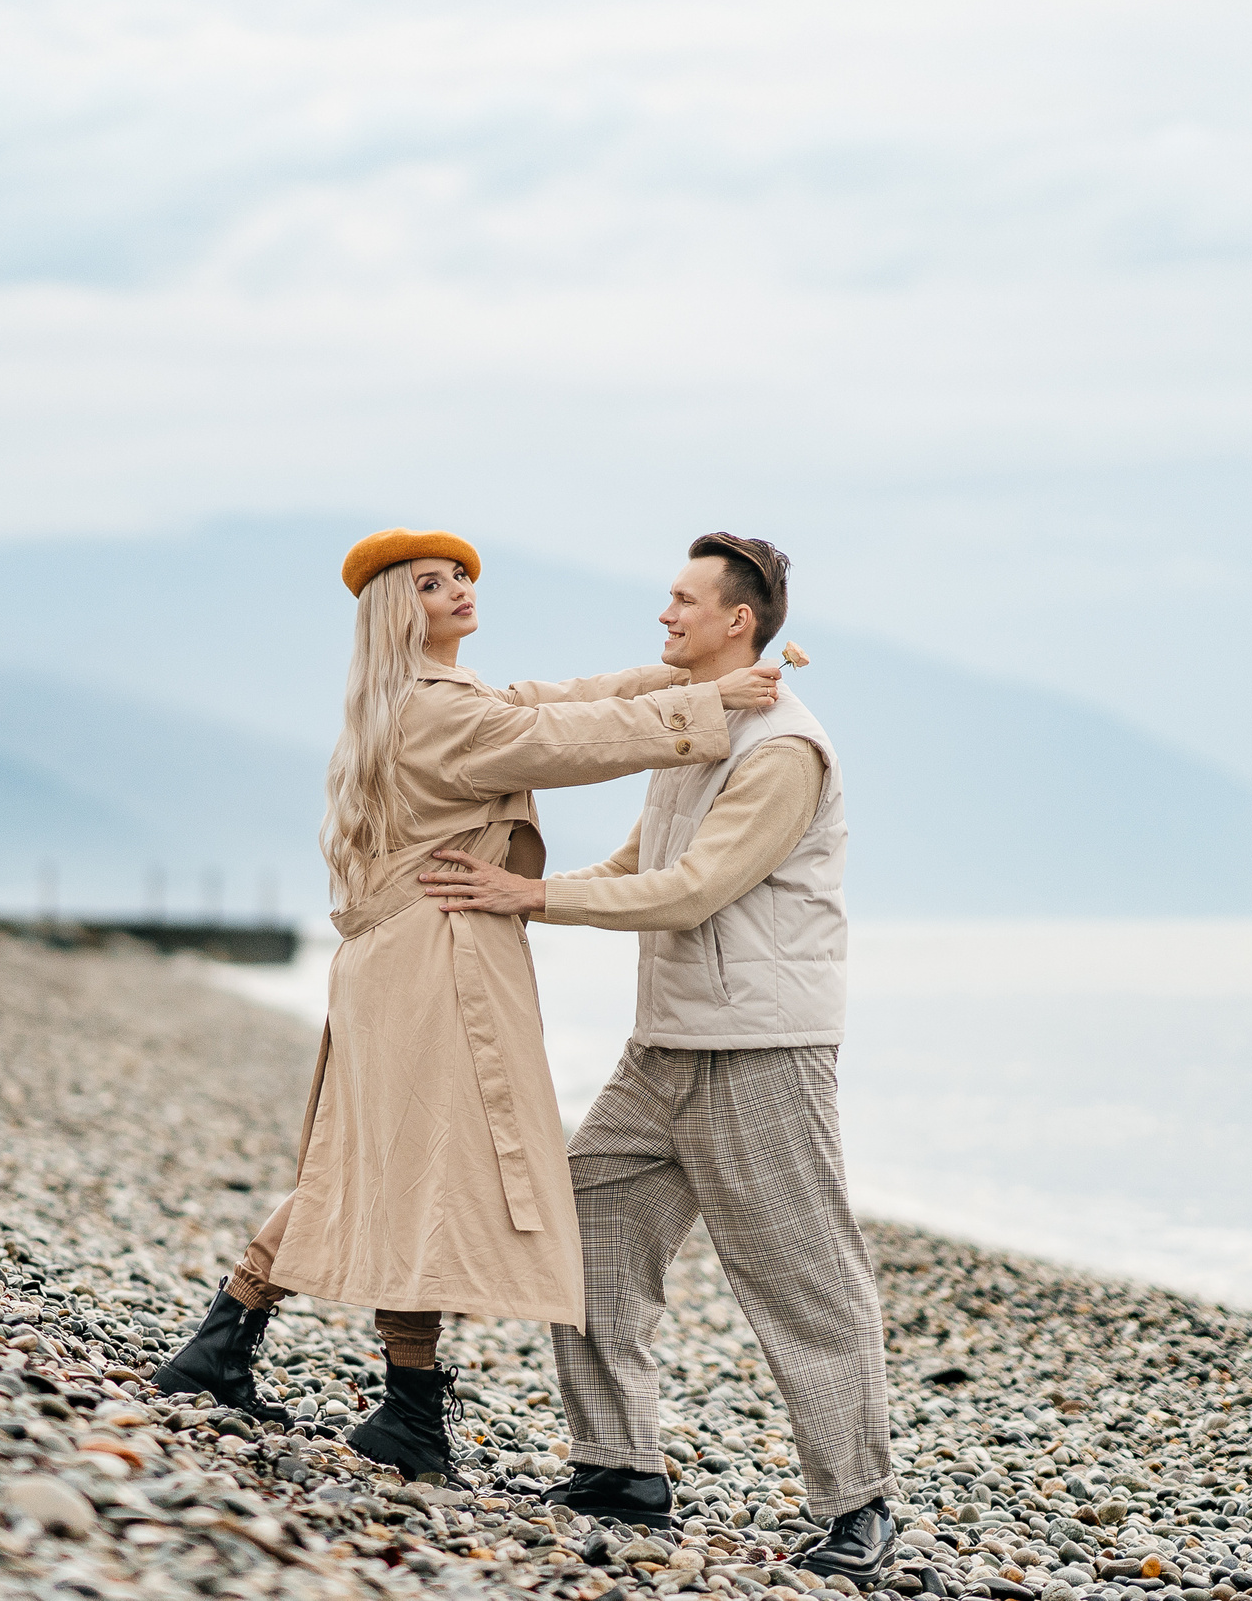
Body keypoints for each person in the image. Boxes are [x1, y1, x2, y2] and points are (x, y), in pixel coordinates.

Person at [152, 526, 782, 1482]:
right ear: (396, 610)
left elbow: (564, 699)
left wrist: (687, 683)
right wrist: (707, 703)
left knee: (393, 1168)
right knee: (420, 1172)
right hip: (429, 960)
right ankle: (365, 1397)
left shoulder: (436, 695)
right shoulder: (439, 712)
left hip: (417, 956)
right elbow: (559, 741)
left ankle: (261, 1359)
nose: (457, 590)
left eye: (459, 576)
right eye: (431, 584)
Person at [418, 532, 895, 1584]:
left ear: (739, 621)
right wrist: (513, 897)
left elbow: (692, 890)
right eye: (666, 598)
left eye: (683, 601)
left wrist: (535, 896)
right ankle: (619, 1468)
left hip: (760, 1050)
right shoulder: (698, 726)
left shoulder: (782, 748)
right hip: (666, 1045)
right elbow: (641, 860)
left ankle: (860, 1508)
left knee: (802, 1275)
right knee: (590, 1219)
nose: (665, 616)